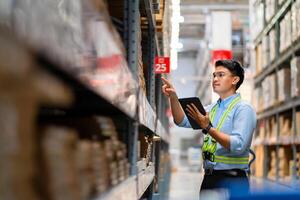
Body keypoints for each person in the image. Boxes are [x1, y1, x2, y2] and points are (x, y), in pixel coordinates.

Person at [161, 59, 257, 194]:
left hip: (232, 179)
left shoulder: (244, 109)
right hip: (209, 178)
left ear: (235, 80)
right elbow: (181, 120)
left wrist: (208, 128)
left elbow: (238, 145)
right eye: (214, 75)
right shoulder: (211, 109)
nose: (215, 79)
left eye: (221, 75)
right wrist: (173, 97)